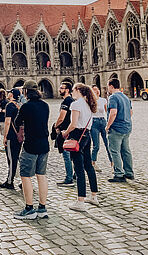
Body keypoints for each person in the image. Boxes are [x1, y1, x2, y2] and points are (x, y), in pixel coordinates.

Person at [13, 80, 50, 220]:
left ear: (26, 91)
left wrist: (20, 110)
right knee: (42, 175)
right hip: (44, 144)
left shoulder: (26, 107)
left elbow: (17, 122)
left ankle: (29, 208)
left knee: (25, 175)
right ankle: (42, 207)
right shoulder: (45, 105)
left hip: (31, 145)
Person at [62, 83, 98, 212]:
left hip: (77, 134)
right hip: (87, 135)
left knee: (78, 168)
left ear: (78, 90)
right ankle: (94, 196)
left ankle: (80, 201)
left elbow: (73, 124)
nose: (72, 92)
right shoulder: (88, 103)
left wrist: (65, 133)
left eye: (73, 90)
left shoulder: (76, 104)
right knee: (88, 165)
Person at [105, 78, 135, 183]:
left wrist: (108, 126)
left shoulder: (113, 97)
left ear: (111, 86)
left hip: (116, 128)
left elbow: (113, 113)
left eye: (108, 86)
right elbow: (131, 112)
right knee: (126, 151)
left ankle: (119, 174)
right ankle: (129, 172)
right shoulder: (125, 97)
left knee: (115, 151)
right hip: (127, 127)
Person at [54, 82, 75, 187]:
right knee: (72, 154)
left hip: (65, 131)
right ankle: (74, 174)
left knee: (66, 155)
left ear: (67, 90)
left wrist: (56, 126)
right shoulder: (72, 100)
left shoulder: (66, 101)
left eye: (61, 88)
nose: (59, 90)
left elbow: (62, 117)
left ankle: (69, 178)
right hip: (71, 130)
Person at [1, 88, 22, 189]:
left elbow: (7, 122)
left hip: (12, 135)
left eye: (9, 92)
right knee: (18, 158)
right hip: (20, 135)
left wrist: (5, 136)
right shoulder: (21, 105)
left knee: (11, 159)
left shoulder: (9, 105)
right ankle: (24, 180)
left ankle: (10, 181)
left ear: (12, 94)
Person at [90, 85, 112, 172]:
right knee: (96, 146)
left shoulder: (103, 100)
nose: (97, 91)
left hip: (103, 121)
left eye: (97, 89)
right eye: (94, 90)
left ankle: (112, 163)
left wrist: (109, 122)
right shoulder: (90, 101)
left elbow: (107, 112)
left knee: (108, 144)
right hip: (94, 123)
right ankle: (93, 163)